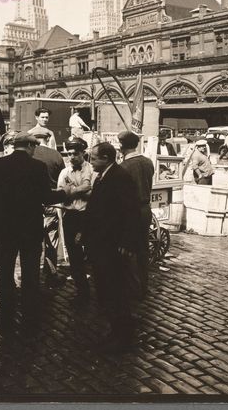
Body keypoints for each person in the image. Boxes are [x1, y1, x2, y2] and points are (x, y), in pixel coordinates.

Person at [0, 133, 66, 330]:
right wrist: (65, 193)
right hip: (30, 228)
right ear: (29, 146)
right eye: (34, 146)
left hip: (5, 228)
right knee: (30, 272)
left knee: (5, 270)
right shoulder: (37, 167)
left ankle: (5, 311)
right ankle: (30, 312)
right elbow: (46, 197)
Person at [84, 142, 141, 353]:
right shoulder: (103, 176)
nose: (91, 162)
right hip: (100, 244)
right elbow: (95, 209)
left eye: (93, 159)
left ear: (106, 158)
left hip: (113, 246)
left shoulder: (120, 178)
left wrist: (127, 242)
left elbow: (131, 212)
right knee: (106, 290)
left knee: (116, 291)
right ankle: (115, 330)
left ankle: (123, 335)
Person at [118, 130, 155, 299]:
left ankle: (131, 288)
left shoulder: (123, 167)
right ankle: (144, 286)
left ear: (122, 147)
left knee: (127, 249)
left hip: (129, 212)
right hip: (145, 209)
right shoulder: (148, 162)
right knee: (142, 249)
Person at [56, 138, 93, 306]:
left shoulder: (91, 170)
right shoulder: (64, 173)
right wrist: (75, 193)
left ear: (83, 153)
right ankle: (82, 291)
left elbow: (92, 193)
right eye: (69, 154)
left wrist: (72, 191)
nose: (71, 157)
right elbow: (60, 194)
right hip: (70, 216)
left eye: (75, 154)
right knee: (74, 256)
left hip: (88, 216)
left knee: (93, 253)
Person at [31, 133, 67, 288]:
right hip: (52, 201)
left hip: (34, 202)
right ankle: (51, 272)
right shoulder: (56, 155)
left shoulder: (31, 155)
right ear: (48, 139)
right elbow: (64, 176)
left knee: (34, 240)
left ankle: (33, 273)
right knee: (51, 238)